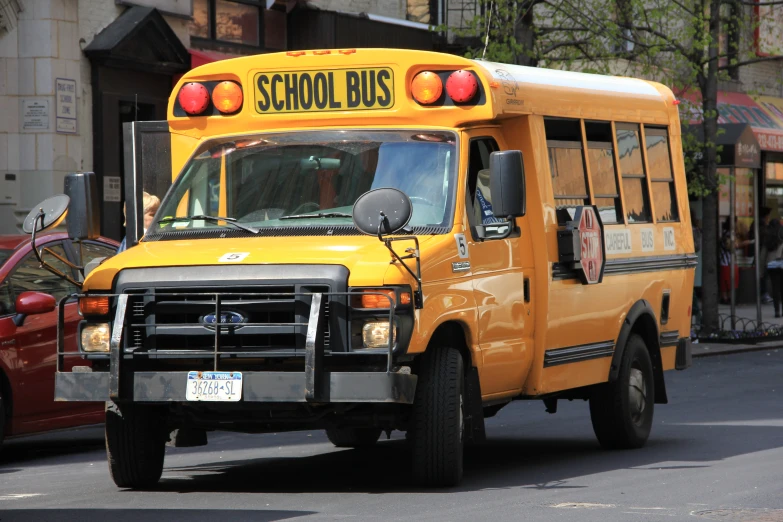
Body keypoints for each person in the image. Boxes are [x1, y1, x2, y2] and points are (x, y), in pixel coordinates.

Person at [750, 206, 774, 304]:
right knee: (762, 273)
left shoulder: (757, 224)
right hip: (760, 251)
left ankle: (764, 293)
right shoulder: (761, 225)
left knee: (762, 273)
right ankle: (763, 293)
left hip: (758, 251)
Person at [766, 216, 783, 317]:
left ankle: (776, 311)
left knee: (775, 288)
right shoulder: (781, 234)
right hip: (781, 265)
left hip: (771, 266)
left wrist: (760, 271)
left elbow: (763, 255)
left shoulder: (768, 237)